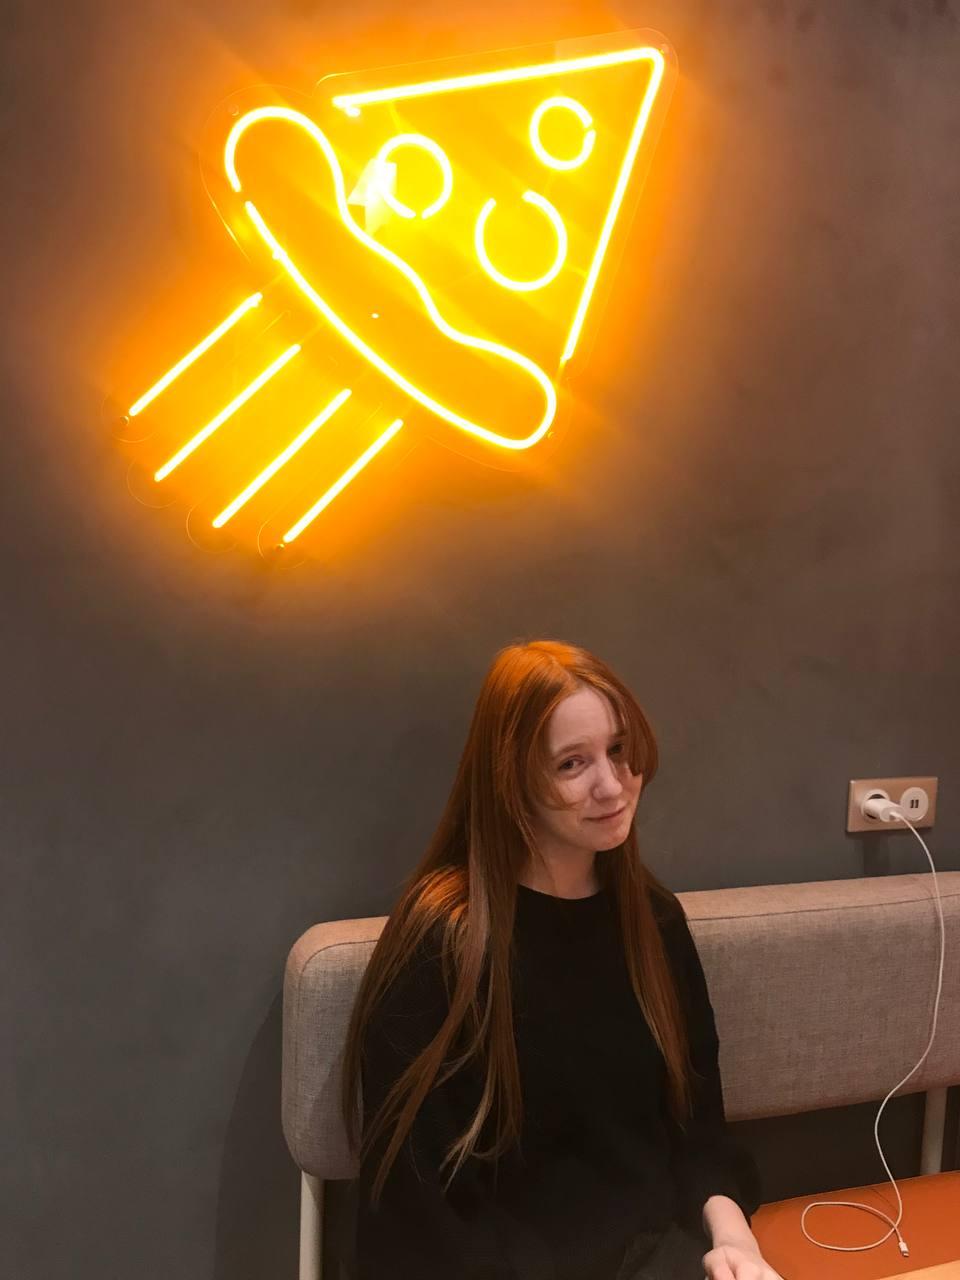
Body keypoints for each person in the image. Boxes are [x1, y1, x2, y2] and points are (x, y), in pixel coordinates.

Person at [339, 639, 778, 1279]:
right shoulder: (443, 941)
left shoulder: (652, 921)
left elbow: (699, 1132)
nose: (612, 785)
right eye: (572, 763)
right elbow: (415, 1212)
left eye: (619, 750)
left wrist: (736, 1242)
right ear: (511, 778)